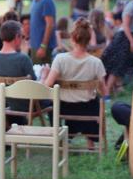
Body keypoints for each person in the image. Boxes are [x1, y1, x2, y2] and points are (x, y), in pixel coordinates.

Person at [42, 18, 107, 150]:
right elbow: (105, 92)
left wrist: (45, 74)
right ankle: (90, 142)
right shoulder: (96, 62)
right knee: (95, 101)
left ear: (72, 38)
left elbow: (47, 87)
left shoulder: (60, 59)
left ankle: (60, 136)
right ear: (88, 40)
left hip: (64, 108)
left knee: (52, 103)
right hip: (87, 108)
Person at [0, 20, 37, 111]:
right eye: (22, 36)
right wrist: (44, 76)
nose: (22, 39)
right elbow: (33, 84)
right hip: (26, 105)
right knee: (52, 100)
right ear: (17, 37)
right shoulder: (23, 58)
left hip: (4, 103)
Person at [24, 0, 57, 64]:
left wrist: (43, 46)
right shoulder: (34, 0)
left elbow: (50, 24)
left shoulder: (47, 0)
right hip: (35, 45)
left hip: (43, 47)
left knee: (41, 74)